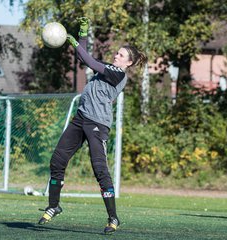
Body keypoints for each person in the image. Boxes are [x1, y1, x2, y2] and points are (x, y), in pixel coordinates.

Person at [37, 17, 148, 234]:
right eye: (117, 52)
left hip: (98, 124)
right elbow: (85, 56)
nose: (116, 55)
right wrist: (83, 34)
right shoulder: (108, 67)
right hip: (80, 119)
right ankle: (53, 206)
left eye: (121, 55)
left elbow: (87, 60)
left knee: (100, 170)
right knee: (57, 161)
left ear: (129, 63)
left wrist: (76, 43)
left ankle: (113, 218)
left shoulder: (118, 74)